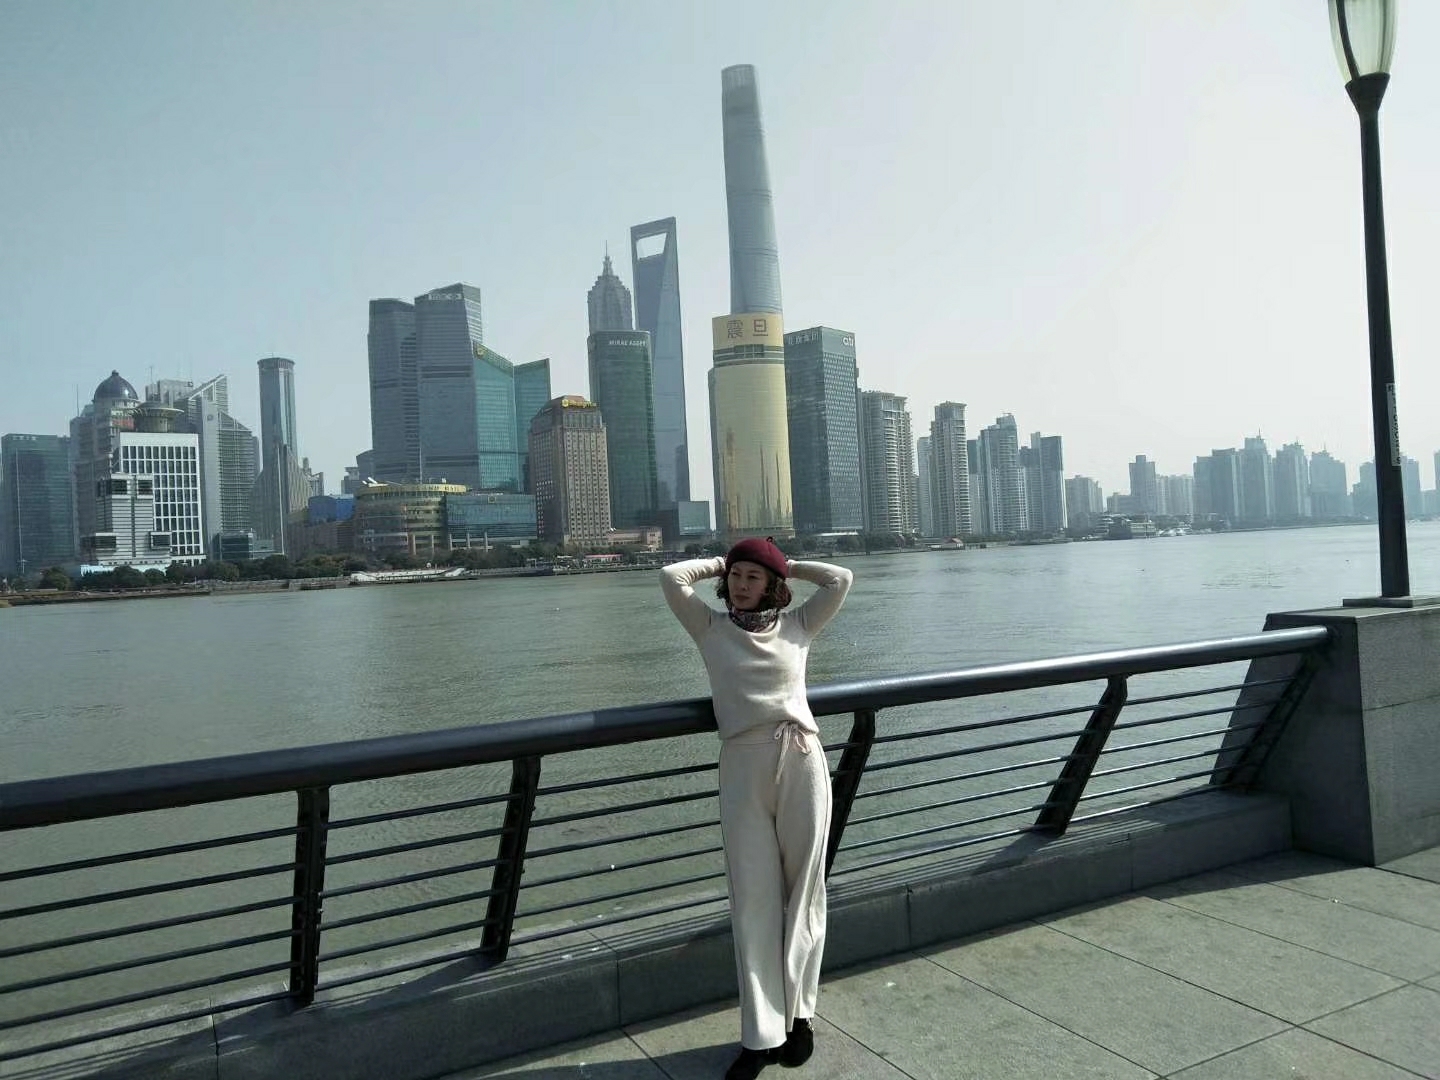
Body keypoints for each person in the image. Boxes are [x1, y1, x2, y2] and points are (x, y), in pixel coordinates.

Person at [660, 538, 853, 1079]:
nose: (742, 585)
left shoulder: (799, 625)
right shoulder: (709, 628)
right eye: (736, 576)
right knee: (753, 901)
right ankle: (760, 1038)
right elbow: (671, 578)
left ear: (772, 585)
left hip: (802, 759)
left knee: (804, 893)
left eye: (754, 577)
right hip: (743, 767)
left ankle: (800, 1016)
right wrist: (721, 561)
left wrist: (784, 563)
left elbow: (839, 579)